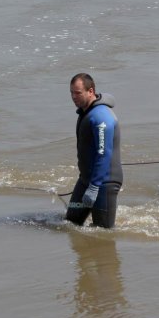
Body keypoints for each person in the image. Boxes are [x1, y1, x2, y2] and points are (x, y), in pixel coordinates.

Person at [65, 73, 123, 229]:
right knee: (70, 224)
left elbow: (103, 153)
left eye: (78, 93)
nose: (73, 97)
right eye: (71, 92)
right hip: (86, 180)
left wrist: (94, 187)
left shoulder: (100, 117)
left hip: (104, 183)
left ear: (90, 91)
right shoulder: (86, 111)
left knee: (103, 234)